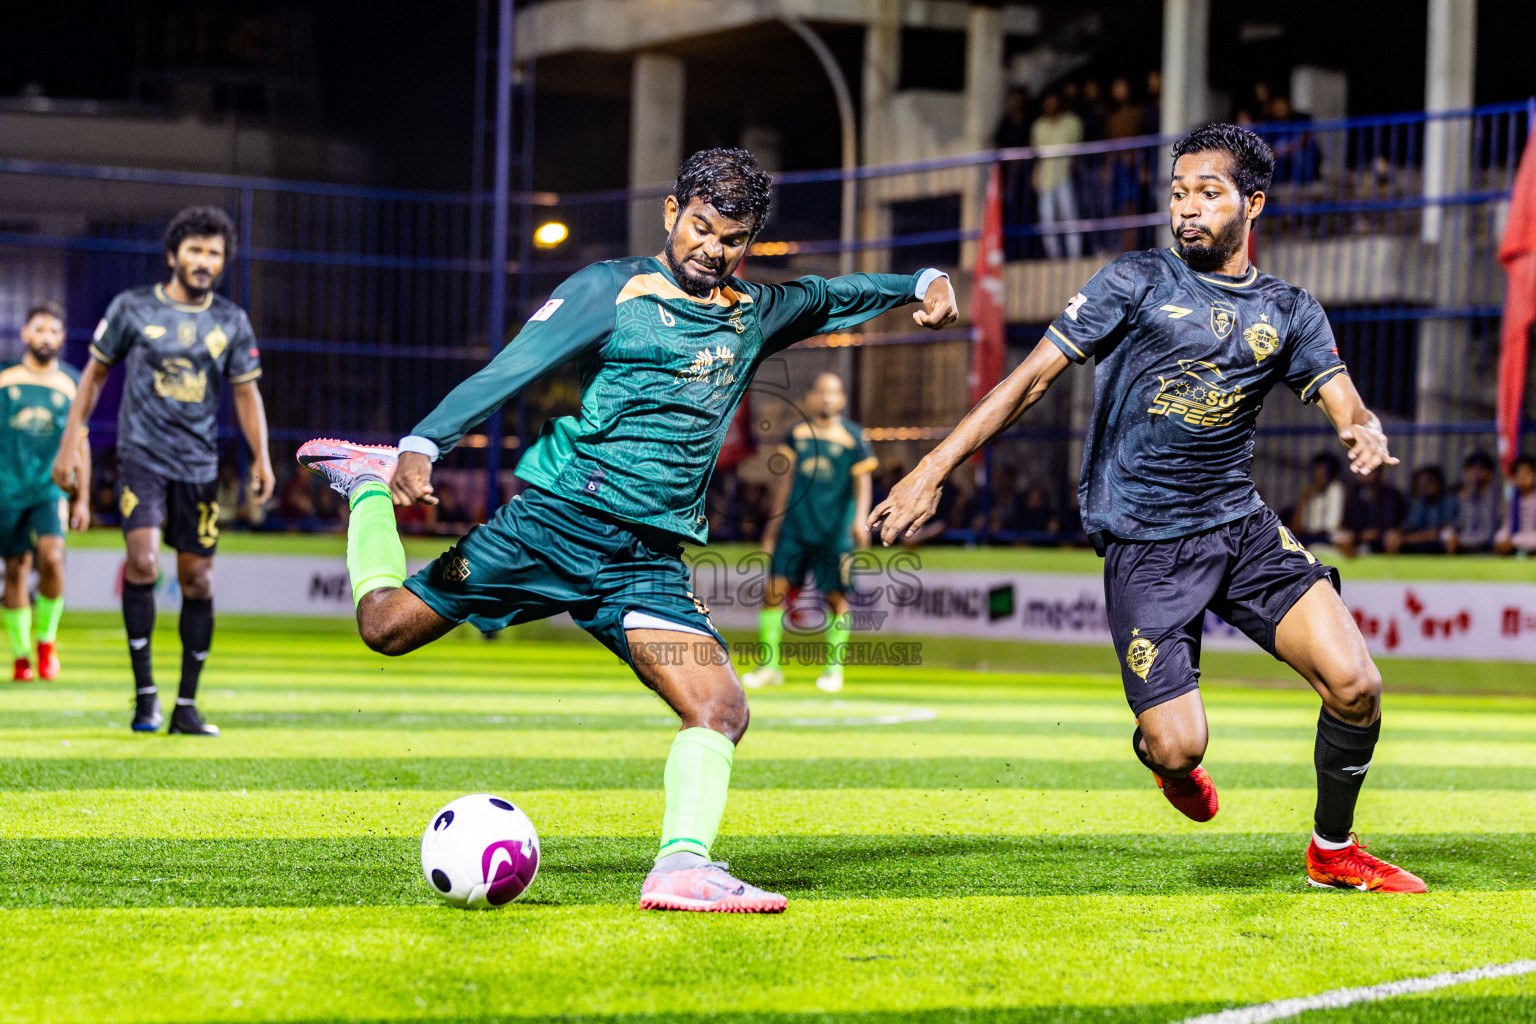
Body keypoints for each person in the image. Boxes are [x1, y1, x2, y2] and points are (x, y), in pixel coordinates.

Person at [295, 148, 959, 914]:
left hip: (644, 562)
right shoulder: (610, 289)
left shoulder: (754, 312)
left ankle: (681, 868)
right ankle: (366, 487)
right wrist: (424, 442)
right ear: (672, 213)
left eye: (733, 238)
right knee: (384, 628)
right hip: (552, 526)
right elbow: (516, 364)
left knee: (720, 710)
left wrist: (918, 281)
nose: (713, 249)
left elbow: (832, 295)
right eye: (703, 227)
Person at [870, 123, 1425, 893]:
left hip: (1241, 529)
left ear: (1252, 204)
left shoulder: (1290, 309)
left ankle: (1333, 848)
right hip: (1147, 545)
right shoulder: (1133, 282)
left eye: (1208, 193)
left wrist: (1361, 430)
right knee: (1178, 748)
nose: (1186, 209)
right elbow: (1029, 379)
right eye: (1177, 193)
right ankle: (1162, 757)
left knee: (1357, 683)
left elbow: (1346, 402)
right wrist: (931, 469)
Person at [53, 206, 275, 735]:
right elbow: (93, 378)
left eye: (214, 253)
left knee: (197, 578)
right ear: (173, 255)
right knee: (144, 562)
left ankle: (186, 706)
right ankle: (146, 697)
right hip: (141, 458)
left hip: (199, 467)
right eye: (195, 250)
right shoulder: (130, 308)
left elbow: (246, 394)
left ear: (223, 262)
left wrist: (261, 457)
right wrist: (70, 441)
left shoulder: (230, 321)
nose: (204, 261)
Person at [742, 373, 876, 694]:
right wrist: (773, 527)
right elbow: (785, 481)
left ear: (842, 399)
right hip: (795, 528)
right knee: (772, 593)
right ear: (811, 398)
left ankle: (834, 670)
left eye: (834, 393)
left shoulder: (853, 437)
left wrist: (861, 520)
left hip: (834, 532)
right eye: (821, 392)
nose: (827, 398)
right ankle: (769, 666)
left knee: (836, 600)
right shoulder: (797, 433)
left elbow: (863, 482)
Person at [0, 303, 90, 681]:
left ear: (62, 338)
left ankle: (46, 641)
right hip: (7, 488)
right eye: (39, 330)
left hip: (50, 488)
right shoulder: (5, 379)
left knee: (52, 558)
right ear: (25, 334)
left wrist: (81, 498)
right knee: (15, 571)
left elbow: (80, 443)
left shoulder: (71, 382)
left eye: (54, 331)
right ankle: (21, 656)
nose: (46, 337)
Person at [1031, 91, 1085, 259]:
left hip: (1065, 175)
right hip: (1046, 178)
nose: (1050, 105)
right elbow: (1037, 154)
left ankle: (1075, 256)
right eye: (1047, 102)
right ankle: (1054, 257)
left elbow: (1078, 149)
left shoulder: (1071, 122)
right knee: (1047, 219)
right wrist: (1036, 174)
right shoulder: (1038, 126)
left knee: (1069, 216)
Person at [1333, 469, 1406, 557]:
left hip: (1383, 535)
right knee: (1342, 538)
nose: (1365, 475)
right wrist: (1359, 534)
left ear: (1378, 472)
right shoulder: (1353, 493)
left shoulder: (1391, 493)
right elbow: (1347, 521)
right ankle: (1354, 568)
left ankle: (1390, 568)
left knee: (1392, 538)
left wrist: (1377, 532)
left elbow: (1396, 521)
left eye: (1370, 471)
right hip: (1358, 536)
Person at [1386, 465, 1456, 554]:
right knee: (1391, 536)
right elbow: (1408, 527)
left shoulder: (1447, 501)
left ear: (1438, 483)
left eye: (1429, 482)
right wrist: (1398, 535)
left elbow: (1439, 531)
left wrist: (1411, 538)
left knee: (1449, 536)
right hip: (1417, 539)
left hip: (1438, 539)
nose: (1424, 486)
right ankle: (1393, 566)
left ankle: (1448, 566)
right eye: (1422, 483)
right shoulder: (1418, 503)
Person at [1447, 451, 1501, 554]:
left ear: (1490, 474)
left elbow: (1493, 529)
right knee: (1448, 537)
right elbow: (1457, 523)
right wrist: (1453, 535)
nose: (1476, 472)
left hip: (1488, 540)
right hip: (1464, 538)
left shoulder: (1497, 497)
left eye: (1481, 469)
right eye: (1471, 469)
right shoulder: (1462, 495)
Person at [1289, 452, 1344, 545]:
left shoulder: (1336, 488)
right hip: (1308, 536)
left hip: (1327, 538)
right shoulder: (1310, 491)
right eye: (1316, 470)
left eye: (1323, 471)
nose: (1318, 475)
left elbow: (1330, 526)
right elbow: (1297, 527)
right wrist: (1303, 499)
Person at [1494, 455, 1536, 555]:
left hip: (1529, 542)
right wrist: (1501, 539)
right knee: (1499, 539)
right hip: (1516, 544)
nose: (1523, 477)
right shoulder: (1512, 498)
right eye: (1519, 473)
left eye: (1526, 472)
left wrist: (1514, 541)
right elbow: (1507, 525)